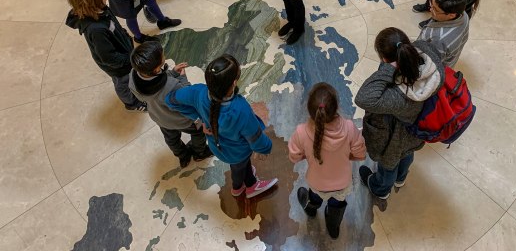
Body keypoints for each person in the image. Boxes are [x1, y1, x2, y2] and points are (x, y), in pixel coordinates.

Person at [165, 54, 278, 198]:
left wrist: (199, 120)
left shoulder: (198, 92)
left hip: (218, 147)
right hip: (237, 152)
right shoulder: (241, 110)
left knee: (240, 166)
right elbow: (255, 139)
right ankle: (240, 188)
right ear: (234, 82)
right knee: (238, 168)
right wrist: (266, 147)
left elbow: (170, 100)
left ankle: (246, 179)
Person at [355, 27, 444, 200]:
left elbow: (364, 98)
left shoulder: (398, 97)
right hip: (417, 130)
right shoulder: (429, 56)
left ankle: (381, 189)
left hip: (395, 138)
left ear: (384, 59)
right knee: (408, 155)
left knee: (388, 166)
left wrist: (388, 68)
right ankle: (401, 178)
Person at [288, 83, 366, 239]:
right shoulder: (350, 128)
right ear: (337, 107)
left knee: (315, 196)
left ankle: (311, 209)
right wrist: (346, 156)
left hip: (317, 183)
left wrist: (308, 155)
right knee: (337, 203)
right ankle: (333, 225)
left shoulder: (301, 132)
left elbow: (294, 157)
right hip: (342, 183)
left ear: (310, 110)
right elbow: (360, 155)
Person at [66, 0, 147, 112]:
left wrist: (125, 36)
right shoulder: (96, 30)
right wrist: (130, 60)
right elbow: (109, 58)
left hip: (125, 54)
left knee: (130, 77)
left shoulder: (102, 9)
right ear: (94, 0)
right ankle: (131, 103)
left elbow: (114, 25)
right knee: (123, 84)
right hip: (118, 67)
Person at [129, 41, 213, 168]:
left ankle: (183, 156)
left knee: (171, 139)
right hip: (182, 120)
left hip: (160, 119)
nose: (165, 56)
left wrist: (172, 73)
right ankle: (199, 153)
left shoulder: (133, 76)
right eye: (162, 58)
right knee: (198, 132)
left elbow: (156, 79)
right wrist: (182, 78)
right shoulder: (171, 86)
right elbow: (187, 97)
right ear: (157, 69)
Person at [417, 0, 470, 68]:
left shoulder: (438, 39)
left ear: (451, 15)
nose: (430, 9)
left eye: (435, 9)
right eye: (431, 2)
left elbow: (429, 64)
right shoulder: (463, 14)